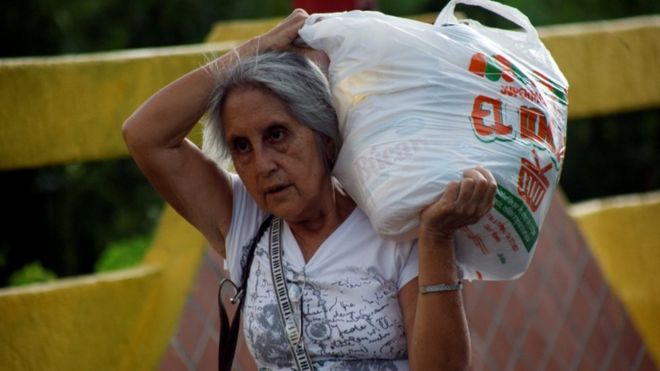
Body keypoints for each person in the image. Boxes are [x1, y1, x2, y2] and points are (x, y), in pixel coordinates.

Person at [122, 9, 496, 371]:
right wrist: (256, 48)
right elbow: (144, 136)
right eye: (241, 147)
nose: (262, 164)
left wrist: (437, 236)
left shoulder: (396, 226)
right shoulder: (242, 219)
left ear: (325, 139)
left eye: (277, 135)